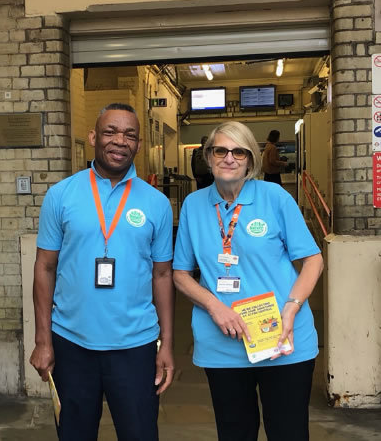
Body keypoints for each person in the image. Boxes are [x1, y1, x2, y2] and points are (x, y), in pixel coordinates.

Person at [30, 103, 175, 441]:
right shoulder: (61, 195)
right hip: (72, 343)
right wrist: (43, 339)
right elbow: (45, 266)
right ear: (93, 137)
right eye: (110, 132)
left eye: (129, 135)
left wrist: (166, 344)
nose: (119, 141)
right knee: (75, 434)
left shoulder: (156, 203)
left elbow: (163, 276)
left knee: (140, 434)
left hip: (136, 345)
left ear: (139, 145)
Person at [172, 121, 323, 441]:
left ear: (251, 160)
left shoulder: (275, 198)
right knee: (234, 432)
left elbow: (313, 260)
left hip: (282, 339)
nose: (229, 158)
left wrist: (292, 308)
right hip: (222, 344)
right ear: (208, 157)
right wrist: (213, 305)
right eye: (220, 150)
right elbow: (180, 274)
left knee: (288, 432)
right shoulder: (193, 205)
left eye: (239, 151)